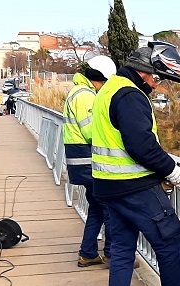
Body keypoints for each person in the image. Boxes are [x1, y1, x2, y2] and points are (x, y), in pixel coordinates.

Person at [91, 42, 180, 286]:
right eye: (155, 78)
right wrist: (171, 170)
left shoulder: (108, 90)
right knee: (170, 240)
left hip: (108, 187)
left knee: (123, 249)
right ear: (144, 71)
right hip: (134, 187)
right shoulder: (130, 95)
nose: (156, 84)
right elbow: (141, 145)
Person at [62, 55, 117, 268]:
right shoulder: (86, 96)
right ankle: (113, 254)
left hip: (79, 163)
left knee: (96, 208)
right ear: (100, 78)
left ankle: (88, 253)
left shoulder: (76, 92)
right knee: (111, 209)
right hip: (89, 163)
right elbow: (92, 132)